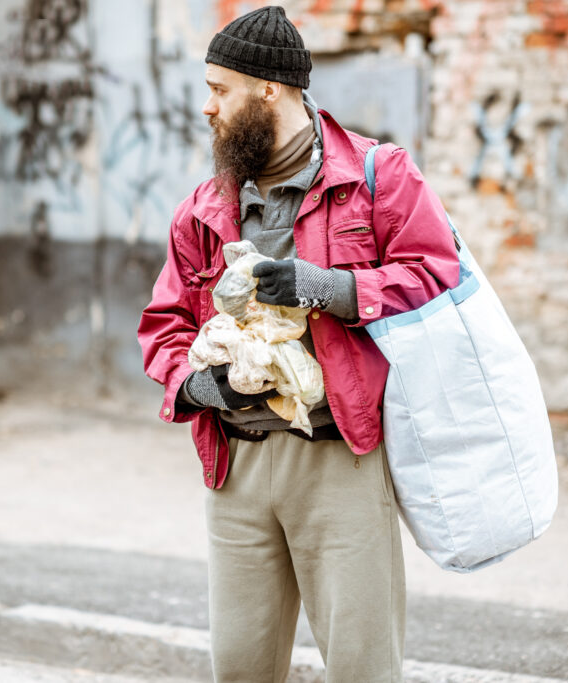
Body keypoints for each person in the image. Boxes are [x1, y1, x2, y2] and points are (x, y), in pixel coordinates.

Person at [138, 6, 460, 682]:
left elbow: (437, 275)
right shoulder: (203, 206)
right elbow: (164, 324)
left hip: (339, 460)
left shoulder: (379, 176)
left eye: (219, 89)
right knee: (240, 669)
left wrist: (324, 286)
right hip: (237, 472)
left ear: (268, 89)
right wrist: (198, 386)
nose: (207, 107)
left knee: (362, 669)